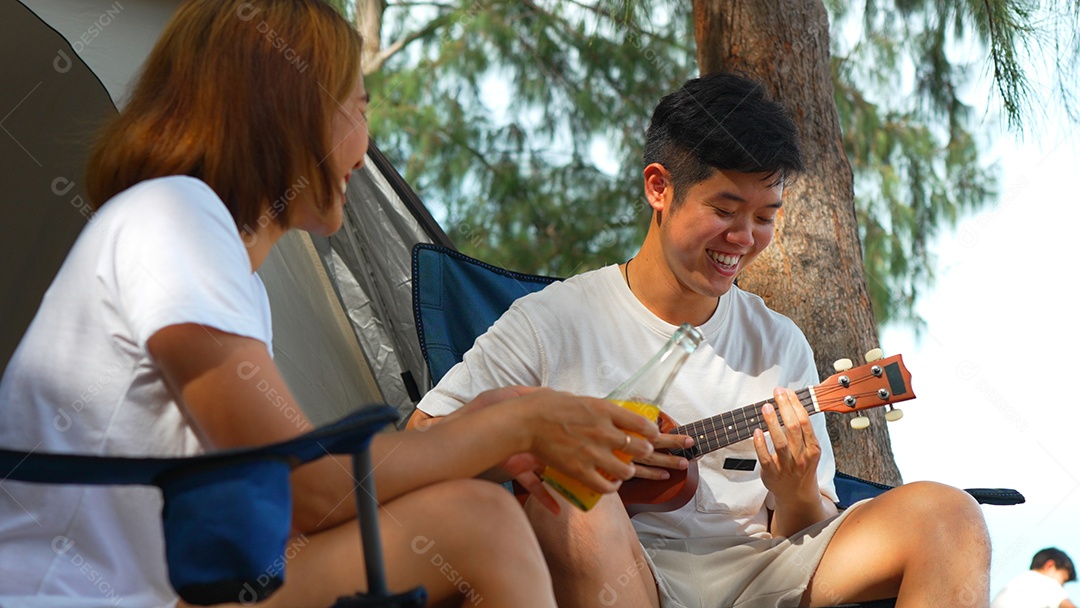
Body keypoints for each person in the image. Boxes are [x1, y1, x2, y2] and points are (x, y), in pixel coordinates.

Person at [0, 1, 662, 607]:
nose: (365, 143)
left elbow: (294, 492)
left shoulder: (210, 252)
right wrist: (517, 427)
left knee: (472, 520)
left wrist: (484, 431)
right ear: (286, 106)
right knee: (479, 525)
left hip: (161, 590)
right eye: (360, 105)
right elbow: (304, 493)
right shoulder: (174, 220)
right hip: (68, 595)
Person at [409, 72, 992, 607]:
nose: (744, 237)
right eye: (725, 209)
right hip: (622, 570)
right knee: (576, 497)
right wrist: (546, 446)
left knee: (949, 515)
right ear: (660, 189)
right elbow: (421, 441)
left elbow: (801, 533)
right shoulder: (551, 321)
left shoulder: (778, 342)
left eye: (765, 216)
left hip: (758, 572)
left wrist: (794, 495)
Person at [992, 548, 1077, 608]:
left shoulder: (1015, 584)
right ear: (1050, 566)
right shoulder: (1047, 583)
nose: (1062, 586)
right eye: (1063, 581)